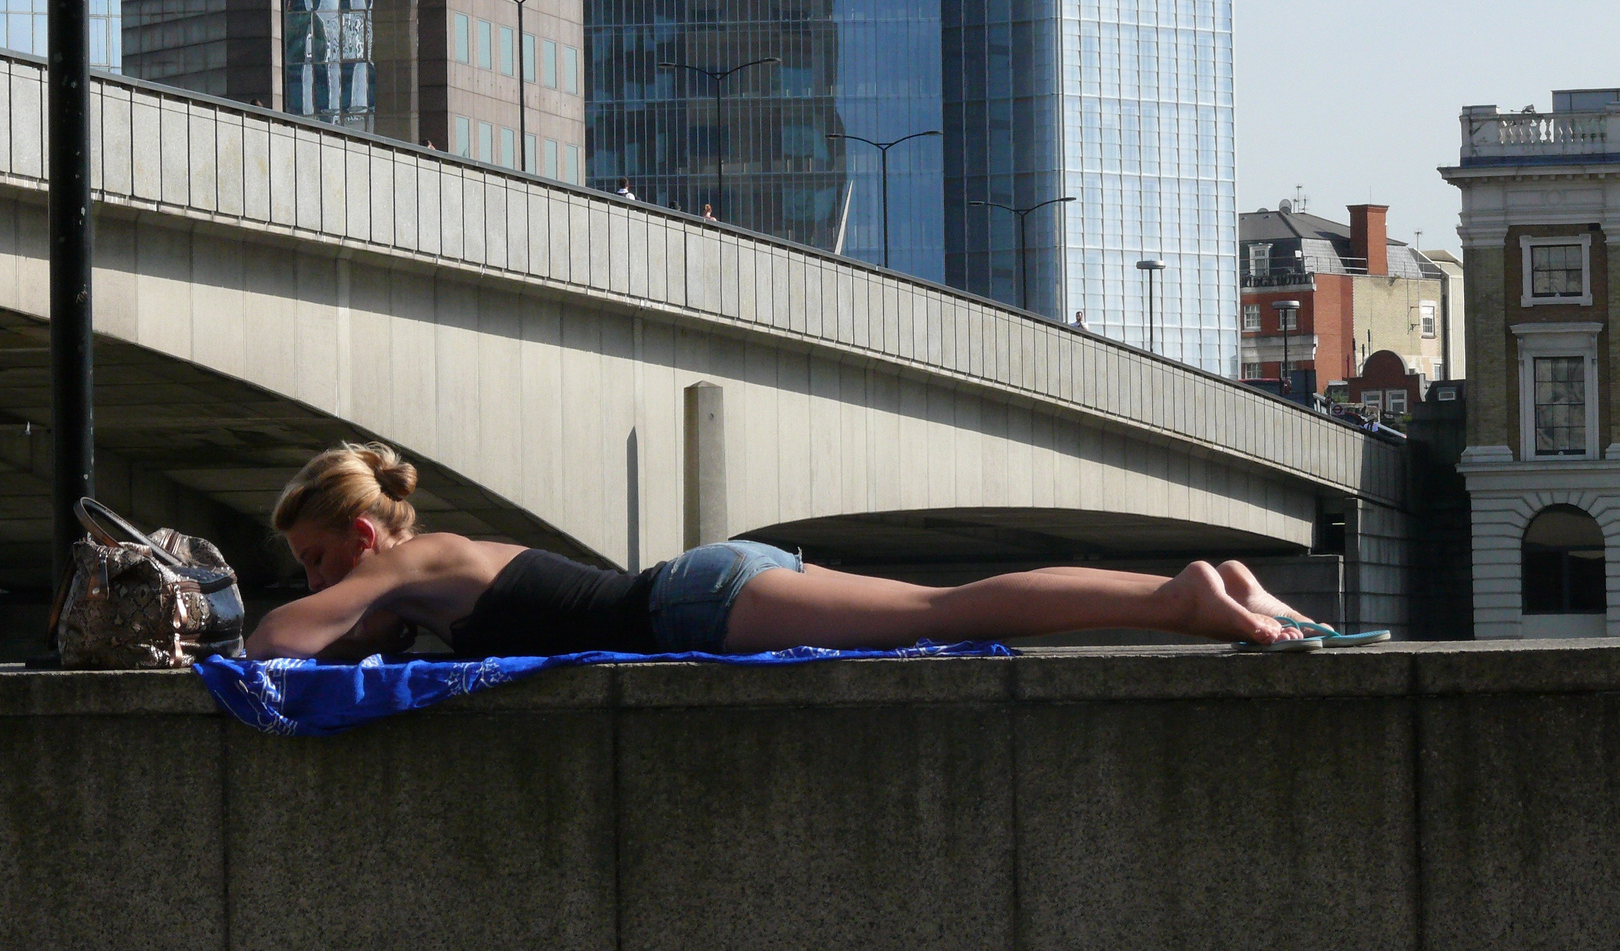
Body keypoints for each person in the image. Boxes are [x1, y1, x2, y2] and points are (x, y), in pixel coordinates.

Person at [246, 442, 1328, 661]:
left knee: (948, 615)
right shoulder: (436, 563)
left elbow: (271, 642)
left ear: (360, 532)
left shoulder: (399, 564)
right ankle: (1210, 588)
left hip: (691, 610)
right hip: (708, 580)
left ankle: (1181, 600)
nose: (314, 578)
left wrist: (341, 611)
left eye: (313, 554)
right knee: (941, 605)